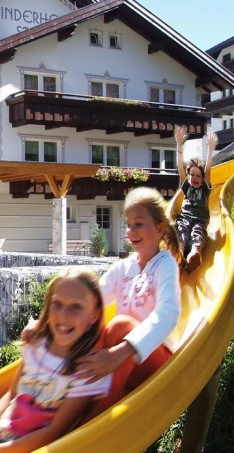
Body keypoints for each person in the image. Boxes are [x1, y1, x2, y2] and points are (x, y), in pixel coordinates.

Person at [0, 268, 111, 453]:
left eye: (76, 307)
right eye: (57, 304)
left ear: (94, 315)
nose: (63, 315)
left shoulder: (87, 369)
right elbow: (12, 394)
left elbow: (55, 431)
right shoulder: (35, 346)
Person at [75, 186, 182, 420]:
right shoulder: (124, 267)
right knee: (94, 326)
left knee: (120, 325)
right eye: (129, 224)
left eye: (138, 224)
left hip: (156, 363)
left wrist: (120, 352)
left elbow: (167, 314)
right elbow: (93, 300)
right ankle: (68, 399)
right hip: (123, 364)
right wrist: (48, 325)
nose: (131, 231)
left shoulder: (165, 265)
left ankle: (98, 414)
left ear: (159, 228)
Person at [174, 126, 218, 273]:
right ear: (188, 176)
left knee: (197, 234)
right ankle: (180, 254)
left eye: (198, 175)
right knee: (182, 232)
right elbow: (180, 167)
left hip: (200, 220)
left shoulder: (204, 188)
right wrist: (179, 145)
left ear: (202, 178)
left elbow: (208, 169)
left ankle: (194, 254)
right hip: (185, 218)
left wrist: (210, 149)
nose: (195, 178)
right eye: (192, 175)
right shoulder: (186, 186)